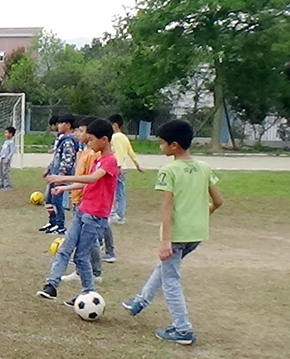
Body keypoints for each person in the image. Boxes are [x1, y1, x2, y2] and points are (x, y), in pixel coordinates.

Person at [121, 120, 222, 345]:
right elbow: (218, 201)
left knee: (171, 279)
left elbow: (167, 207)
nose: (160, 147)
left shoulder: (169, 171)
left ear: (174, 145)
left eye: (162, 143)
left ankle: (182, 329)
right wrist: (204, 214)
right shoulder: (204, 167)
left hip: (177, 235)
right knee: (166, 268)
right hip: (196, 234)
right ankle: (140, 301)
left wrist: (165, 240)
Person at [36, 118, 118, 304]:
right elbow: (85, 182)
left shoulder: (110, 161)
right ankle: (51, 286)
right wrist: (64, 187)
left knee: (81, 256)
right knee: (65, 249)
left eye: (92, 139)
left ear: (104, 140)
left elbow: (92, 179)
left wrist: (61, 176)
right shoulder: (99, 159)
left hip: (95, 216)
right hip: (83, 210)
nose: (89, 143)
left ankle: (88, 293)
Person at [59, 117, 108, 284]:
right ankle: (83, 272)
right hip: (80, 199)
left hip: (88, 204)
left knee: (89, 242)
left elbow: (91, 178)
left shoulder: (96, 155)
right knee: (85, 242)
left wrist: (64, 180)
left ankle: (93, 272)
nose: (78, 134)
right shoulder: (84, 151)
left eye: (81, 131)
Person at [40, 114, 77, 234]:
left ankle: (60, 225)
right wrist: (49, 169)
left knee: (57, 200)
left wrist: (60, 175)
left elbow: (68, 159)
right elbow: (56, 157)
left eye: (61, 123)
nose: (58, 125)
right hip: (54, 174)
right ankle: (52, 221)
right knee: (49, 200)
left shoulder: (69, 141)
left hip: (59, 176)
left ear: (68, 125)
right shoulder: (61, 139)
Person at [108, 114, 144, 225]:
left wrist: (117, 166)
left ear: (115, 125)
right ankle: (120, 216)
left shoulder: (116, 137)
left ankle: (115, 214)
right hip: (123, 167)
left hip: (118, 168)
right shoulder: (124, 137)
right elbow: (130, 152)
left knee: (113, 192)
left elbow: (118, 152)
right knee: (120, 193)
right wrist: (137, 164)